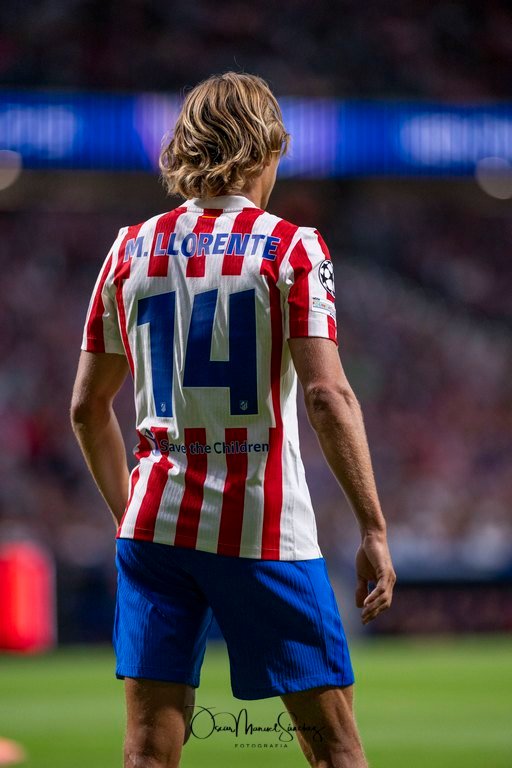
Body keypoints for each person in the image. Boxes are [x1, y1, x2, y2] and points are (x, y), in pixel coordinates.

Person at [71, 71, 396, 768]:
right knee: (336, 748)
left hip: (155, 530)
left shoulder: (128, 248)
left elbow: (86, 408)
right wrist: (372, 526)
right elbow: (327, 395)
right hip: (263, 530)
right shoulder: (292, 247)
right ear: (265, 150)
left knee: (147, 751)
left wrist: (133, 512)